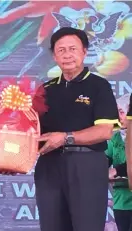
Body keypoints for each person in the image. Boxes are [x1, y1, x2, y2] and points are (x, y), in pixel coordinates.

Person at [35, 27, 119, 231]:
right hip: (49, 166)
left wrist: (65, 138)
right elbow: (32, 131)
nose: (67, 54)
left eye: (73, 48)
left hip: (87, 165)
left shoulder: (99, 86)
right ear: (54, 55)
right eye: (61, 50)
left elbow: (104, 131)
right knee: (52, 226)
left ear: (84, 52)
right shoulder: (44, 90)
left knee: (86, 226)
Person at [106, 93, 132, 231]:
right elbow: (105, 159)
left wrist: (117, 171)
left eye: (121, 112)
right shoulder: (115, 137)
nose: (118, 117)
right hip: (120, 202)